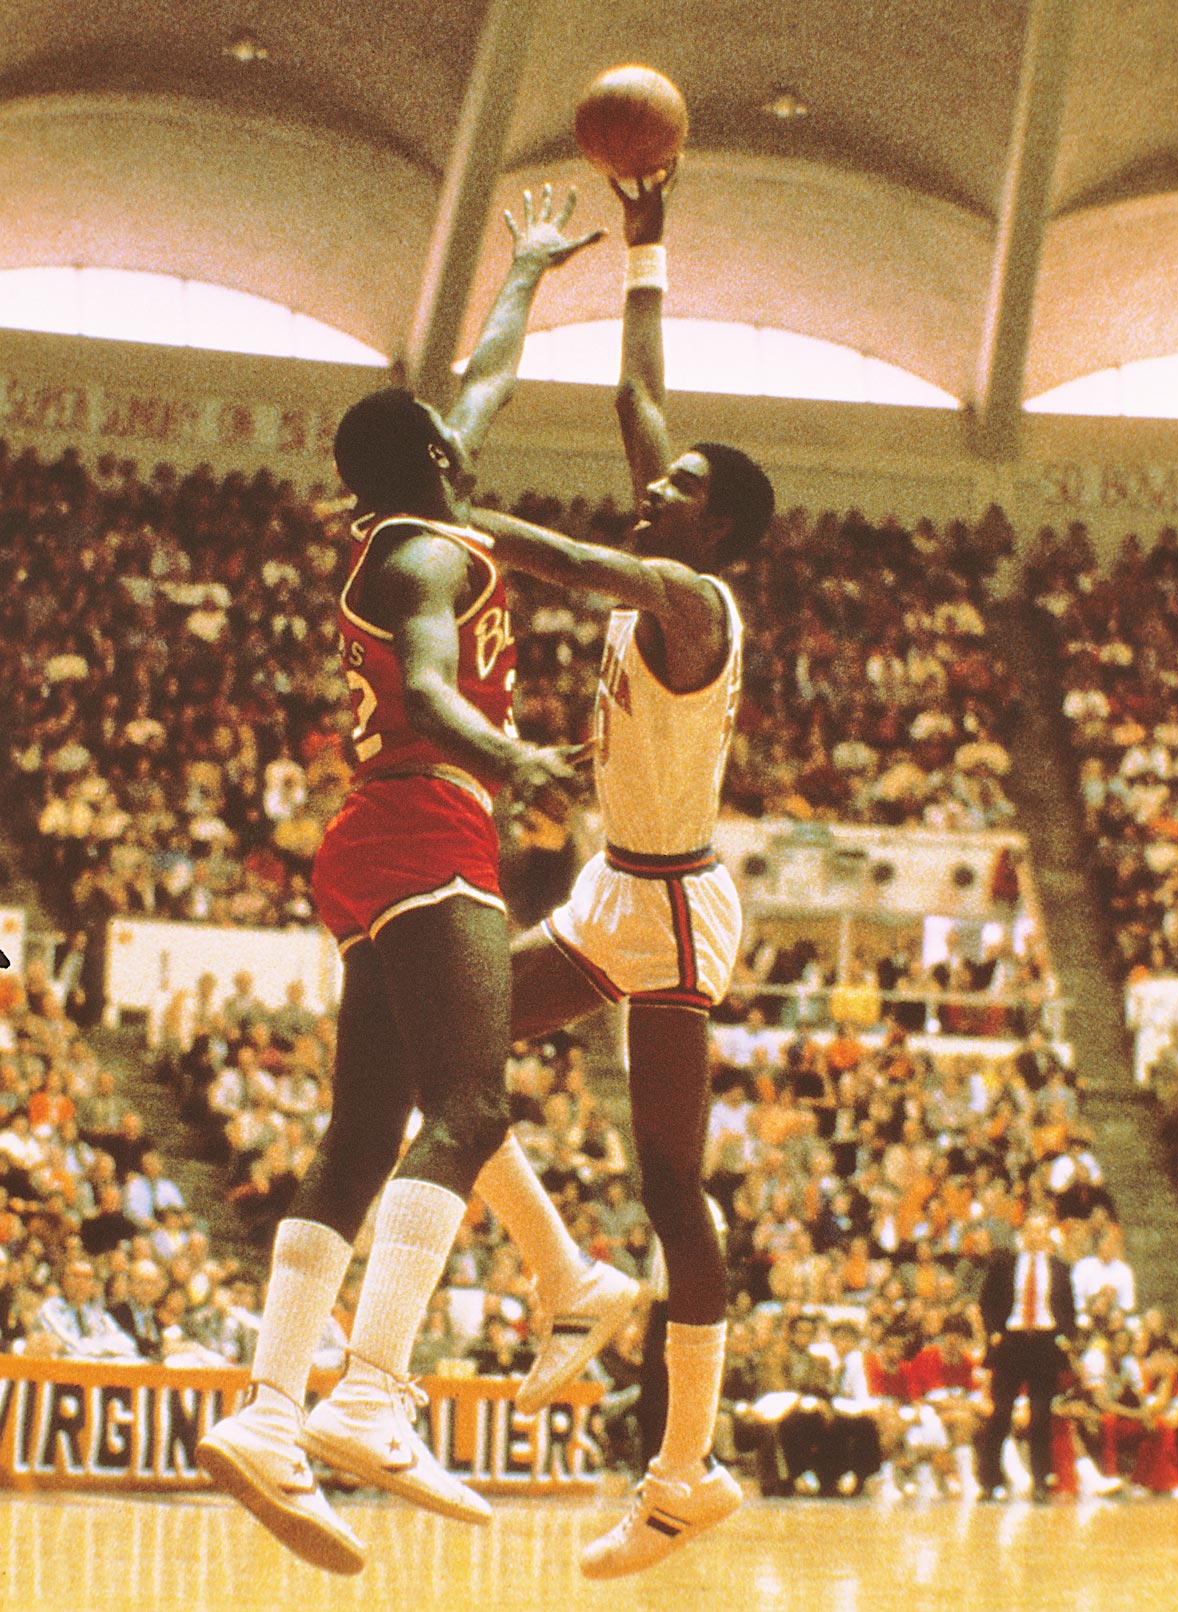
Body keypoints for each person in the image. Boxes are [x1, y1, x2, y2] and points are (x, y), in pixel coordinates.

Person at [198, 184, 602, 1576]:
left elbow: (482, 383)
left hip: (373, 842)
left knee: (362, 1133)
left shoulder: (405, 520)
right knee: (472, 1104)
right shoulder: (430, 551)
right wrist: (523, 752)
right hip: (434, 821)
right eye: (451, 432)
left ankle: (265, 1409)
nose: (467, 427)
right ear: (431, 458)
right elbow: (431, 689)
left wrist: (527, 276)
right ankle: (370, 1391)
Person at [470, 167, 775, 1576]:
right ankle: (566, 1279)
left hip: (673, 906)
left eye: (688, 488)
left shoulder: (689, 597)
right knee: (439, 1038)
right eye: (672, 479)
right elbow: (635, 403)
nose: (662, 484)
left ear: (720, 534)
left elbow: (563, 557)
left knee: (671, 1186)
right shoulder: (678, 541)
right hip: (609, 883)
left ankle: (682, 1476)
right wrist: (648, 250)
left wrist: (450, 526)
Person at [975, 1211, 1076, 1501]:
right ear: (1023, 1234)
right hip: (1011, 1342)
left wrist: (1064, 1336)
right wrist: (994, 1331)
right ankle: (989, 1480)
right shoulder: (1005, 1264)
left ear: (1047, 1235)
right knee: (1001, 1413)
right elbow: (987, 1302)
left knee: (1041, 1414)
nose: (1035, 1236)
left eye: (1041, 1230)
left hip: (1044, 1344)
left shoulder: (1059, 1268)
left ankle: (1041, 1481)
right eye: (1030, 1230)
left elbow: (1068, 1308)